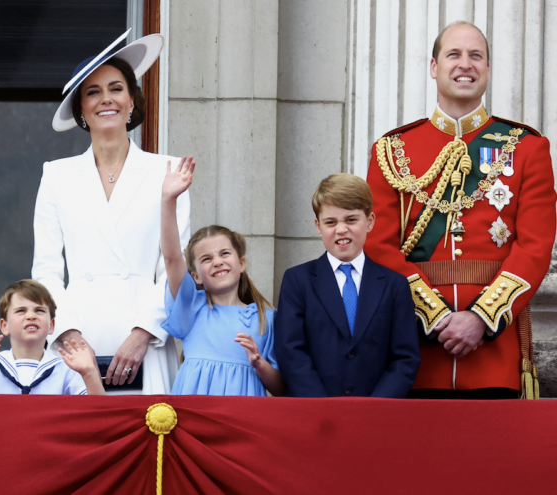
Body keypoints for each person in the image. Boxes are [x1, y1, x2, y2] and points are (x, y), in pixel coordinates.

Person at [365, 21, 556, 399]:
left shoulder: (527, 148)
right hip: (414, 352)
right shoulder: (391, 150)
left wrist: (481, 319)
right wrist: (434, 318)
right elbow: (377, 245)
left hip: (494, 353)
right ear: (434, 67)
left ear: (487, 68)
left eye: (476, 56)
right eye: (453, 54)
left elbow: (534, 247)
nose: (465, 64)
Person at [33, 30, 191, 394]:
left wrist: (142, 335)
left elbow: (172, 267)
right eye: (93, 92)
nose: (106, 99)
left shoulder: (168, 171)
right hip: (77, 339)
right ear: (82, 110)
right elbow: (46, 269)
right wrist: (68, 333)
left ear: (132, 101)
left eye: (116, 88)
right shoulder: (56, 175)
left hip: (145, 340)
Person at [274, 174, 420, 398]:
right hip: (315, 413)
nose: (341, 229)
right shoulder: (298, 280)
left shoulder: (394, 285)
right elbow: (290, 350)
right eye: (331, 222)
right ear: (318, 226)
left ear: (369, 221)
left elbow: (405, 357)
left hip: (375, 414)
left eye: (351, 220)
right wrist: (322, 407)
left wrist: (374, 407)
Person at [160, 159, 284, 396]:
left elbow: (281, 388)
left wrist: (259, 363)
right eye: (206, 259)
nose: (217, 261)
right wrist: (168, 201)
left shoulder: (265, 318)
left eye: (225, 253)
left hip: (241, 419)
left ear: (241, 264)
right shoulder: (191, 308)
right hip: (194, 416)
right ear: (195, 276)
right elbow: (172, 258)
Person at [0, 279, 104, 395]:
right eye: (21, 311)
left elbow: (99, 413)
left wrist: (89, 372)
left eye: (39, 310)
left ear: (52, 326)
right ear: (4, 326)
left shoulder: (66, 368)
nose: (31, 316)